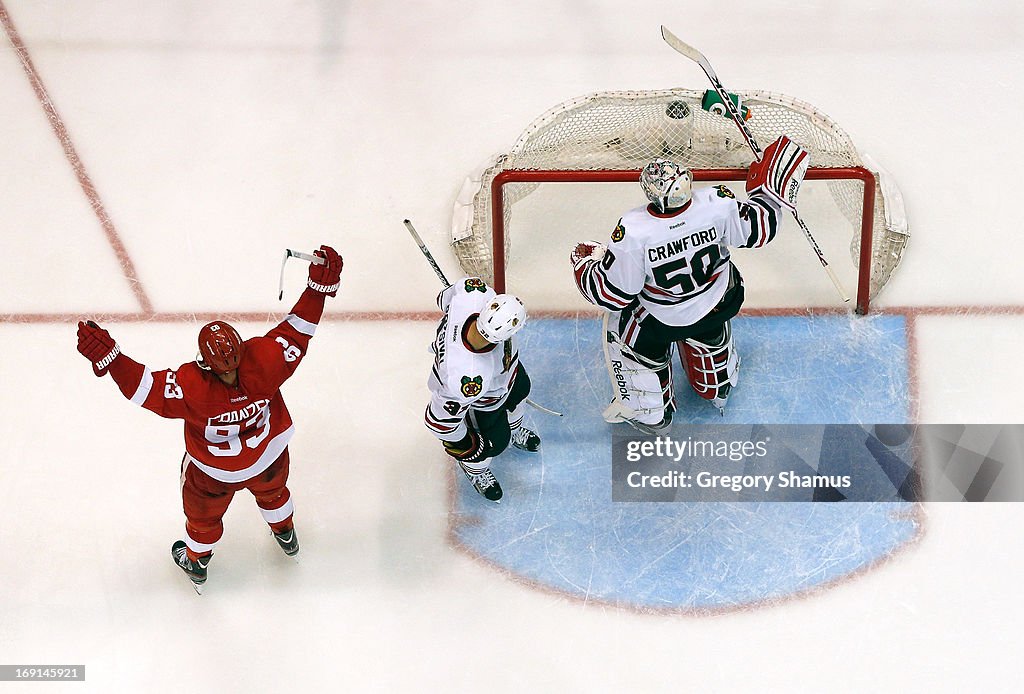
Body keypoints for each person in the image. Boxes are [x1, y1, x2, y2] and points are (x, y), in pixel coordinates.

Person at [75, 245, 343, 593]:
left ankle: (197, 560)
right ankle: (285, 533)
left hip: (214, 472)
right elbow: (298, 329)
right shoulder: (266, 359)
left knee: (203, 518)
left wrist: (112, 359)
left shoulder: (191, 386)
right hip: (268, 456)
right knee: (274, 492)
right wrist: (316, 289)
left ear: (205, 361)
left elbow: (142, 389)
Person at [570, 136, 809, 433]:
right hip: (721, 302)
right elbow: (760, 228)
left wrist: (585, 265)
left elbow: (613, 294)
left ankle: (651, 411)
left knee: (623, 326)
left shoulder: (633, 229)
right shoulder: (717, 202)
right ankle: (716, 381)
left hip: (665, 322)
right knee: (710, 317)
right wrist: (768, 193)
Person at [424, 277, 540, 502]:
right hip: (485, 404)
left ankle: (516, 430)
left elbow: (443, 299)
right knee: (492, 445)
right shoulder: (467, 378)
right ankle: (475, 470)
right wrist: (467, 446)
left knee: (521, 392)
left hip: (508, 374)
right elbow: (438, 421)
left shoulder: (473, 292)